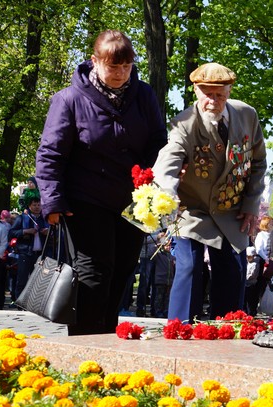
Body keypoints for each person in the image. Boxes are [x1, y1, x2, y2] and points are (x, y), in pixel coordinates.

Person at [35, 30, 167, 334]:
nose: (120, 74)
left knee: (122, 272)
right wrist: (52, 200)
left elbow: (158, 140)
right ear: (95, 62)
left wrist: (155, 174)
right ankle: (86, 344)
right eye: (112, 67)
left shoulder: (144, 95)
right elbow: (51, 153)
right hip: (86, 199)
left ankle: (108, 337)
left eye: (126, 66)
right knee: (94, 272)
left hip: (135, 200)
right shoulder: (69, 100)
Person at [153, 62, 266, 322]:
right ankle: (179, 329)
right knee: (190, 267)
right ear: (196, 91)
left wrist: (250, 205)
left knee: (232, 271)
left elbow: (258, 162)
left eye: (220, 94)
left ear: (229, 91)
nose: (213, 101)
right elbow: (167, 163)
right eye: (207, 94)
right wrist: (166, 194)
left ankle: (225, 333)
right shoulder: (184, 124)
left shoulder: (247, 115)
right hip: (193, 211)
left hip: (230, 210)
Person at [8, 198, 49, 299]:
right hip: (25, 253)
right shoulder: (23, 218)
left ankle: (36, 302)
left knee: (40, 280)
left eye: (39, 205)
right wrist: (25, 231)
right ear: (30, 206)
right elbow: (11, 233)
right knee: (22, 279)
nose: (36, 207)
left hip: (41, 254)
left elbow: (55, 232)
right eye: (34, 205)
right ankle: (19, 302)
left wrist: (48, 232)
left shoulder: (45, 218)